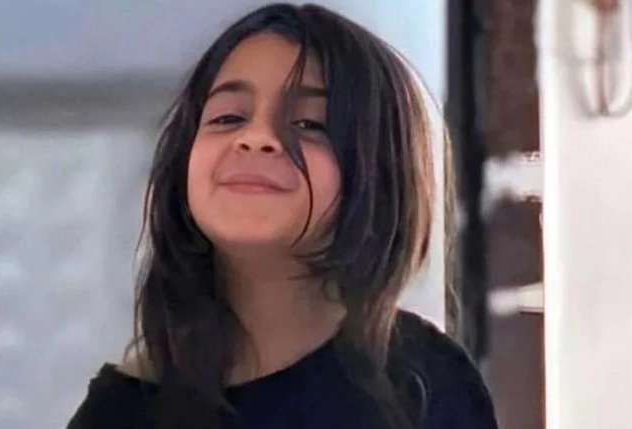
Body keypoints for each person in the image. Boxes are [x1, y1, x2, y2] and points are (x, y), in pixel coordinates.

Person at [67, 3, 497, 429]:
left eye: (309, 124)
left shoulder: (426, 384)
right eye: (228, 117)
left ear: (379, 175)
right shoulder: (119, 413)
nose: (256, 138)